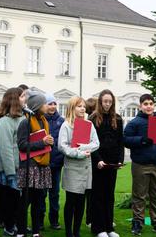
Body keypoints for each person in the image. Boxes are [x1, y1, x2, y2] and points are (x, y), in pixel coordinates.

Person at [123, 94, 156, 236]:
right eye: (145, 104)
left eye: (151, 103)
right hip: (141, 164)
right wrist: (141, 140)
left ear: (154, 105)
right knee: (139, 195)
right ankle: (137, 222)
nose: (149, 106)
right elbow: (125, 139)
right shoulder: (135, 123)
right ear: (140, 106)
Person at [58, 96, 100, 237]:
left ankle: (77, 231)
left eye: (83, 106)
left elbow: (96, 143)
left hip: (86, 167)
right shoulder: (66, 125)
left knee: (81, 200)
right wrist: (79, 153)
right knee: (71, 200)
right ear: (72, 108)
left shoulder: (88, 124)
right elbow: (62, 146)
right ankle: (69, 232)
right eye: (79, 106)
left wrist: (84, 147)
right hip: (72, 166)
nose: (83, 108)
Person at [16, 90, 55, 237]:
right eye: (45, 103)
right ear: (38, 106)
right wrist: (42, 142)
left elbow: (44, 143)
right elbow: (22, 145)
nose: (47, 106)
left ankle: (36, 232)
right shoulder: (25, 122)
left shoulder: (44, 121)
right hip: (30, 167)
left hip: (42, 166)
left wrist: (50, 142)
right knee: (25, 201)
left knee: (39, 201)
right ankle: (20, 231)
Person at [89, 90, 124, 237]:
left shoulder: (117, 119)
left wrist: (120, 159)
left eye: (110, 102)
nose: (107, 104)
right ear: (100, 102)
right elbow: (91, 142)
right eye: (105, 101)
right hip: (98, 162)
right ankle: (99, 228)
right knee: (98, 195)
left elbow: (120, 141)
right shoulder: (93, 118)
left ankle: (109, 227)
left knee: (109, 195)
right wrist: (98, 160)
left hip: (112, 163)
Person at [0, 87, 27, 236]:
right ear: (15, 99)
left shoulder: (24, 118)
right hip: (12, 168)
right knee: (11, 199)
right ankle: (9, 227)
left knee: (21, 200)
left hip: (23, 165)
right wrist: (10, 172)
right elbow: (5, 147)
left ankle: (18, 225)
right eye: (22, 96)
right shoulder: (5, 121)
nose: (25, 98)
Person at [43, 97, 65, 231]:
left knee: (54, 193)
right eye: (49, 103)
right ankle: (39, 220)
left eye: (54, 104)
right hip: (43, 163)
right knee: (41, 194)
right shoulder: (41, 119)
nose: (52, 106)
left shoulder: (61, 121)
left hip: (56, 163)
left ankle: (54, 220)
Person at [82, 97, 97, 227]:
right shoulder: (89, 122)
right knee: (90, 192)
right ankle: (90, 219)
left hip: (90, 158)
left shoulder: (88, 122)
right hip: (90, 159)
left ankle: (90, 218)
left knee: (90, 192)